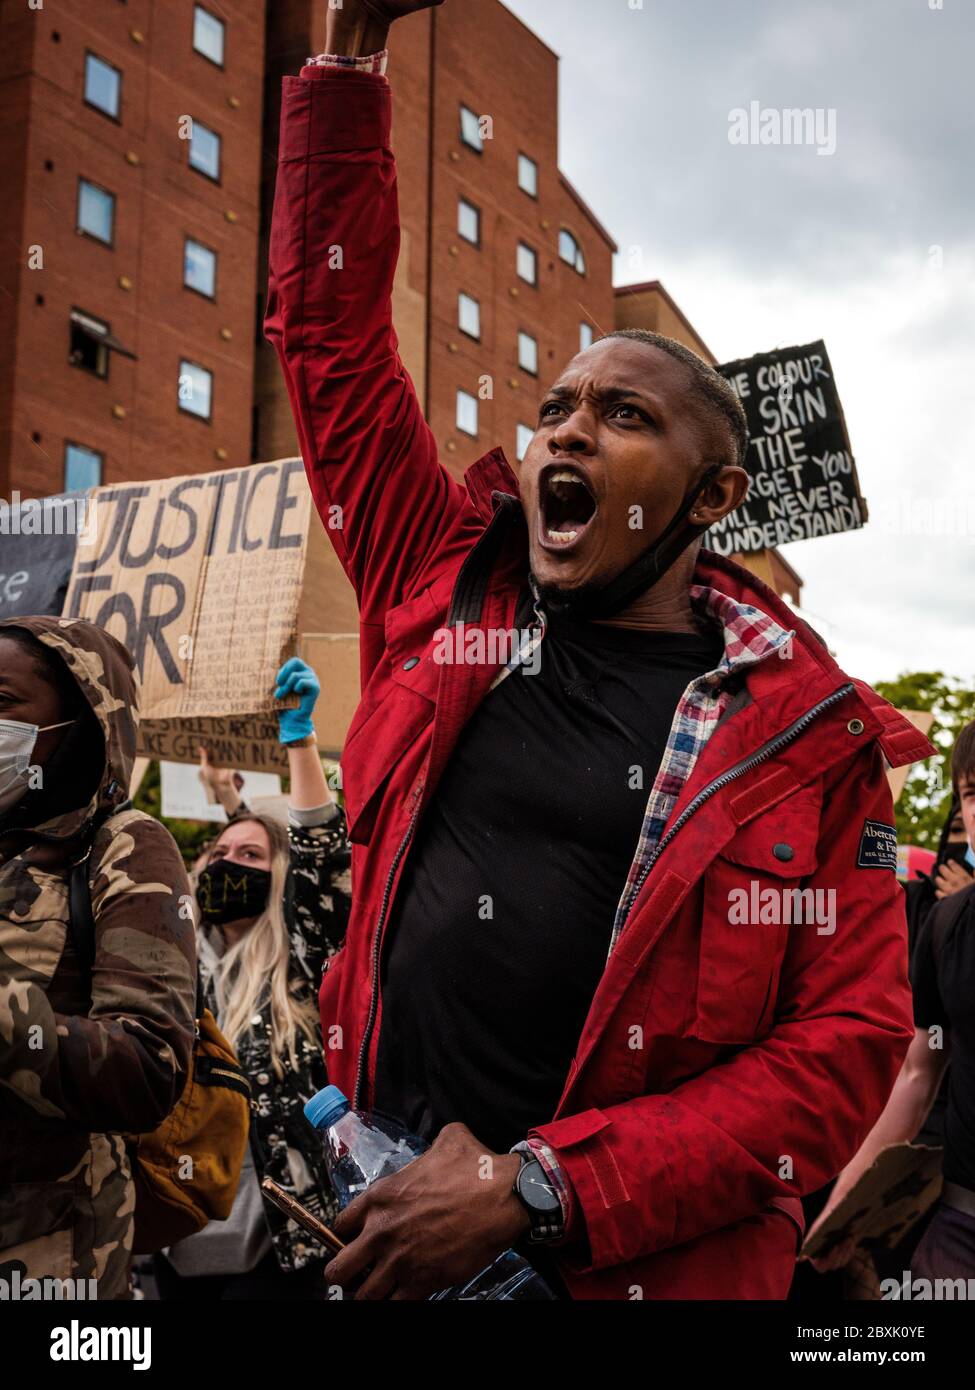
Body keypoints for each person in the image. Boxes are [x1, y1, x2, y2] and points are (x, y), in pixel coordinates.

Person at [263, 0, 935, 1300]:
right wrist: (345, 68)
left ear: (710, 498)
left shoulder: (812, 744)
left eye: (620, 415)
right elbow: (332, 342)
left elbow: (845, 1048)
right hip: (375, 1212)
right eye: (552, 406)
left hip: (613, 1266)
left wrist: (539, 1186)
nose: (563, 434)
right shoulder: (440, 576)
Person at [0, 616, 196, 1300]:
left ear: (79, 723)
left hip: (51, 1266)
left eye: (2, 705)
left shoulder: (124, 848)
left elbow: (148, 1068)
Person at [153, 659, 352, 1300]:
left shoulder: (297, 963)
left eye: (251, 857)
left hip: (290, 1252)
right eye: (220, 854)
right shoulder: (176, 971)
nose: (230, 864)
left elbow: (320, 861)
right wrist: (230, 804)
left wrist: (297, 742)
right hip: (181, 1249)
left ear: (276, 881)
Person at [806, 721, 975, 1285]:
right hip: (960, 1227)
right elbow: (916, 1076)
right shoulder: (946, 924)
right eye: (972, 794)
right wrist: (841, 1211)